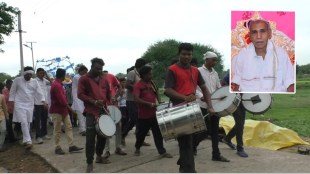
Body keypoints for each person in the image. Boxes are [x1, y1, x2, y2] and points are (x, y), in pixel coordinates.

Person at [164, 43, 215, 173]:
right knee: (185, 141)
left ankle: (184, 161)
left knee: (203, 131)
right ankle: (188, 169)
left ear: (192, 55)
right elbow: (167, 90)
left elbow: (204, 88)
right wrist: (184, 97)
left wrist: (210, 106)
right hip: (178, 109)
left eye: (189, 54)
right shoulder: (172, 69)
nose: (187, 56)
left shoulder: (195, 70)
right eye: (184, 54)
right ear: (179, 54)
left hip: (193, 108)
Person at [231, 19, 294, 92]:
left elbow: (290, 83)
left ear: (269, 33)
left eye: (262, 31)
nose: (258, 36)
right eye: (254, 32)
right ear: (250, 36)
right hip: (249, 101)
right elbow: (236, 83)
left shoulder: (280, 54)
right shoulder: (243, 55)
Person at [193, 51, 230, 162]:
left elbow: (218, 87)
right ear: (207, 60)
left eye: (216, 59)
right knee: (205, 130)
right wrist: (200, 96)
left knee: (214, 131)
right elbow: (193, 86)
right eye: (213, 59)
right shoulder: (198, 71)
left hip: (214, 106)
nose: (215, 61)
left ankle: (216, 155)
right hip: (202, 105)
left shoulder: (215, 73)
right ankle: (193, 146)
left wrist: (223, 95)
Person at [78, 58, 112, 173]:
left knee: (103, 135)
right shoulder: (84, 79)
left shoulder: (104, 79)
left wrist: (109, 103)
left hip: (103, 111)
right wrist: (93, 101)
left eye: (101, 69)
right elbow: (80, 94)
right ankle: (89, 163)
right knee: (90, 138)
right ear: (91, 67)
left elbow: (108, 94)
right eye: (97, 68)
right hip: (91, 112)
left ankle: (99, 156)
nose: (99, 71)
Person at [133, 65, 172, 158]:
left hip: (154, 114)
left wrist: (159, 101)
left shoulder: (152, 83)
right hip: (143, 116)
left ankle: (162, 152)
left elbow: (157, 92)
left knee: (158, 133)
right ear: (144, 75)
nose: (151, 75)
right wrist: (148, 104)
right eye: (149, 74)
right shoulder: (138, 85)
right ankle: (137, 148)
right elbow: (136, 99)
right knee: (141, 135)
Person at [9, 66, 45, 150]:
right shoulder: (17, 80)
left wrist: (43, 100)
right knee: (24, 122)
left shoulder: (34, 82)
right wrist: (11, 101)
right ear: (24, 74)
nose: (29, 76)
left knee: (28, 122)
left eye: (30, 74)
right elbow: (13, 91)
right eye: (27, 74)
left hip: (29, 104)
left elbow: (39, 92)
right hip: (19, 104)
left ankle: (25, 140)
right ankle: (29, 141)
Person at [50, 68, 83, 155]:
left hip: (63, 110)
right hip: (57, 110)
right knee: (57, 129)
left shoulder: (58, 84)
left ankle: (71, 146)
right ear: (63, 76)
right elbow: (62, 100)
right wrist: (71, 109)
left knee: (68, 127)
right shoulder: (57, 85)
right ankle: (57, 147)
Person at [122, 58, 150, 146]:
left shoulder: (141, 74)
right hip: (131, 100)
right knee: (133, 119)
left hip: (140, 101)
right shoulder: (132, 73)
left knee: (140, 121)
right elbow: (127, 85)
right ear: (141, 66)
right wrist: (137, 88)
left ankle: (140, 140)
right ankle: (122, 135)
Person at [222, 73, 248, 158]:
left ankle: (227, 139)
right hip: (234, 101)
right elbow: (223, 84)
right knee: (240, 124)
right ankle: (240, 148)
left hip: (244, 100)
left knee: (240, 124)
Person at [102, 70, 127, 158]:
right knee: (106, 129)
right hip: (104, 107)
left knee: (118, 126)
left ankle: (118, 147)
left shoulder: (111, 76)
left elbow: (119, 86)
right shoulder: (95, 79)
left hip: (114, 106)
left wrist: (116, 97)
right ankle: (107, 150)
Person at [34, 68, 52, 144]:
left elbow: (52, 82)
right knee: (38, 120)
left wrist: (47, 75)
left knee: (44, 119)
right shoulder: (34, 81)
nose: (42, 74)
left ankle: (44, 134)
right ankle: (38, 136)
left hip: (45, 103)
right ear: (37, 73)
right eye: (40, 73)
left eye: (43, 73)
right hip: (37, 103)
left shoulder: (45, 80)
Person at [72, 65, 88, 136]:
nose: (86, 73)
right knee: (80, 114)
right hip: (77, 98)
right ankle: (83, 129)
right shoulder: (77, 77)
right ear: (81, 71)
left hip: (82, 98)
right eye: (85, 72)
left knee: (84, 114)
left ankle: (83, 129)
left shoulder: (82, 77)